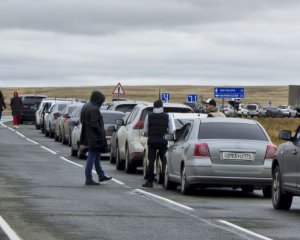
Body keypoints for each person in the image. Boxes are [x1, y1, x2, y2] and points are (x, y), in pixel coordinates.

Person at [80, 91, 112, 185]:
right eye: (101, 102)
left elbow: (82, 121)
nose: (101, 104)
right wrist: (99, 133)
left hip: (88, 135)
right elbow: (95, 124)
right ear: (98, 100)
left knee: (97, 155)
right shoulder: (94, 109)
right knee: (92, 156)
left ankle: (101, 175)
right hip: (95, 137)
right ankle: (88, 178)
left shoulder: (86, 106)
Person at [142, 99, 175, 188]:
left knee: (151, 161)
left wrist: (148, 134)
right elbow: (171, 130)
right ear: (162, 106)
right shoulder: (168, 116)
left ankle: (150, 182)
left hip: (152, 141)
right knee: (164, 161)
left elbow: (145, 130)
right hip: (163, 141)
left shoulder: (149, 116)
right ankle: (165, 181)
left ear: (154, 106)